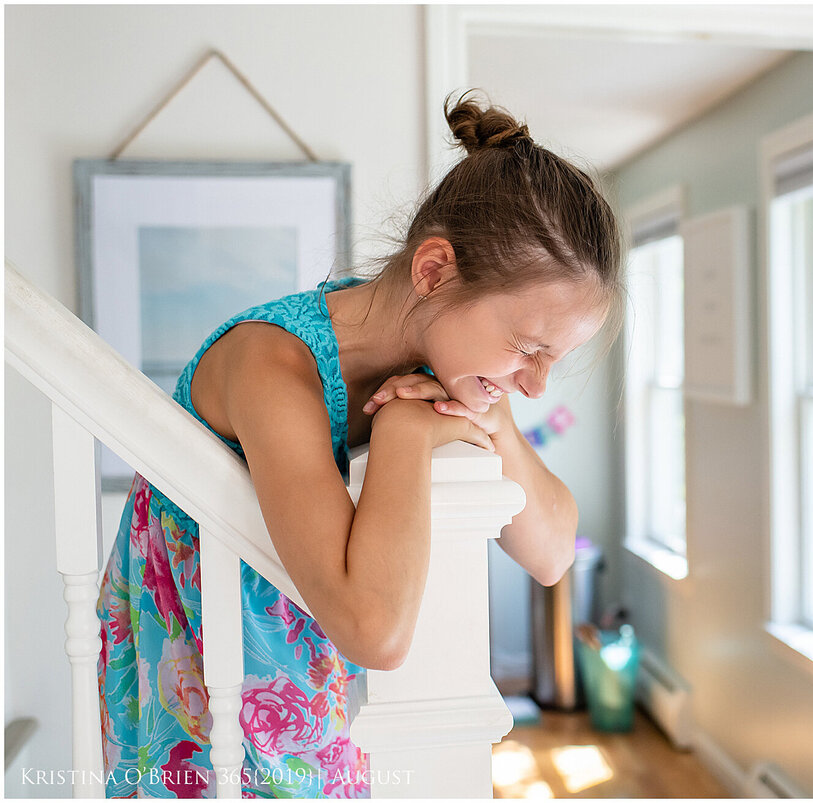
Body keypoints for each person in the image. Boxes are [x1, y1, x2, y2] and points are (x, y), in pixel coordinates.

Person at [96, 92, 623, 798]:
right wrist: (405, 433)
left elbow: (554, 550)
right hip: (195, 704)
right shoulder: (271, 364)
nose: (535, 385)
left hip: (296, 701)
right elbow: (374, 631)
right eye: (528, 348)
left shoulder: (449, 363)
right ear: (433, 271)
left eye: (553, 358)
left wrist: (494, 424)